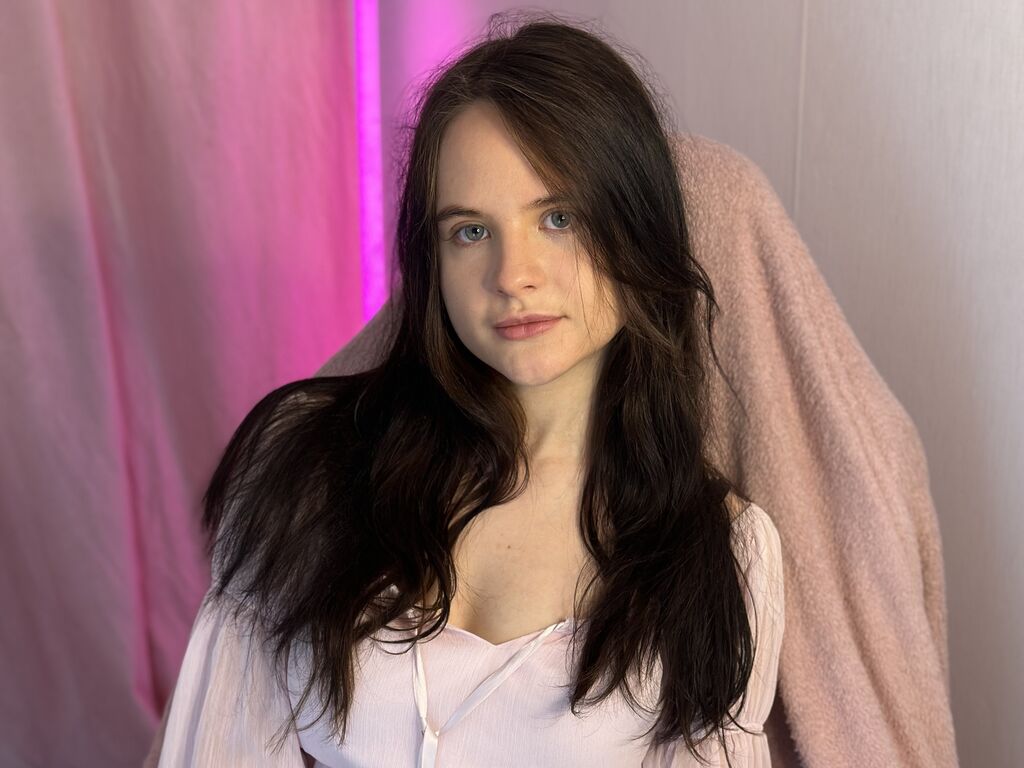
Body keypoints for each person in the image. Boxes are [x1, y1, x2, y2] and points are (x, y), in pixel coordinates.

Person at [150, 11, 784, 767]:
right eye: (471, 231)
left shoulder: (719, 557)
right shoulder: (307, 474)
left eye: (558, 218)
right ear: (433, 262)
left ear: (638, 228)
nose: (513, 276)